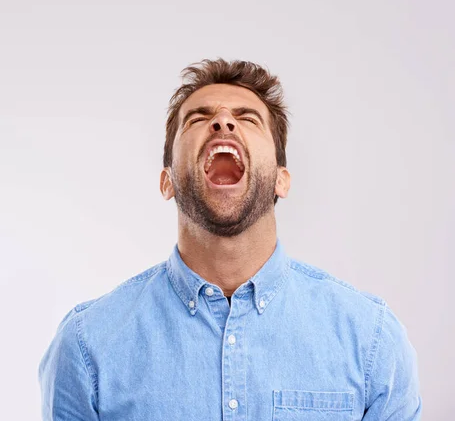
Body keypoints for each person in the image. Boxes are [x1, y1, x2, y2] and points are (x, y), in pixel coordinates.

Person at [38, 58, 422, 420]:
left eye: (247, 118)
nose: (222, 122)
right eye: (199, 118)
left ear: (281, 179)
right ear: (166, 180)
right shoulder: (86, 346)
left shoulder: (372, 341)